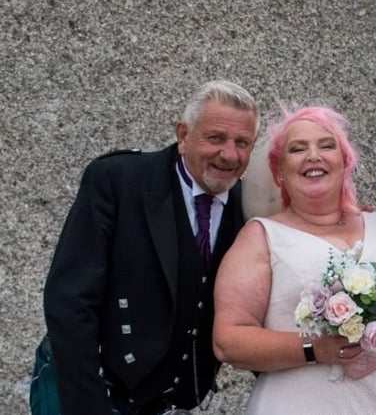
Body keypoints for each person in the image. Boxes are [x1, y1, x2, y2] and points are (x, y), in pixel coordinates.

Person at [212, 106, 376, 414]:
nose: (313, 155)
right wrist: (314, 349)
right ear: (279, 171)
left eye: (327, 145)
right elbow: (228, 340)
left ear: (345, 161)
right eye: (297, 149)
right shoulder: (260, 238)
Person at [33, 80, 260, 415]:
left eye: (243, 143)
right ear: (183, 135)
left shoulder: (249, 207)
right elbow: (70, 301)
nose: (230, 154)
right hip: (89, 388)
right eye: (216, 138)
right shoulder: (118, 180)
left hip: (171, 403)